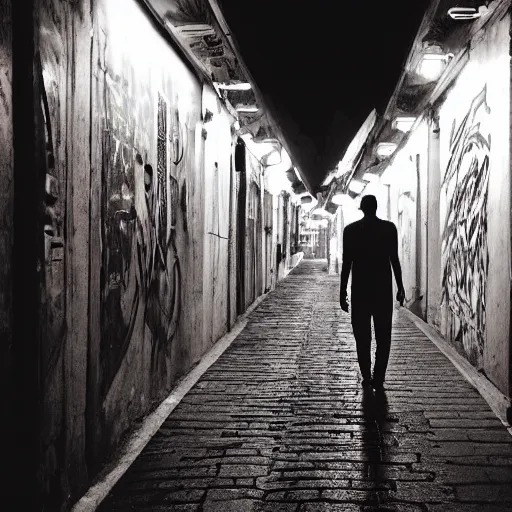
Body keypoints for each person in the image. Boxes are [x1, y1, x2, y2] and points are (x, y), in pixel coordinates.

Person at [339, 194, 405, 390]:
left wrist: (342, 292)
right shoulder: (389, 229)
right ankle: (379, 377)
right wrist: (400, 286)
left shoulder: (350, 231)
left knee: (362, 336)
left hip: (360, 291)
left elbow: (346, 264)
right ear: (376, 208)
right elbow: (394, 259)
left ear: (362, 208)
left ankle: (367, 376)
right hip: (383, 290)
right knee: (384, 336)